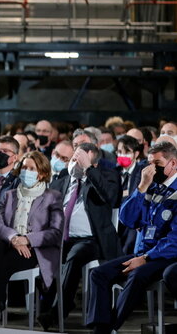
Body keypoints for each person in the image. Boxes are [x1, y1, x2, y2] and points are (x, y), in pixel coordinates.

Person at [87, 142, 177, 334]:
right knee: (98, 274)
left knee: (137, 274)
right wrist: (142, 187)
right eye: (149, 163)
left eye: (157, 164)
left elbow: (175, 241)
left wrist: (145, 258)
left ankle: (111, 327)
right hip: (144, 252)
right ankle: (100, 329)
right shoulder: (152, 186)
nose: (152, 169)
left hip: (167, 256)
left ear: (173, 163)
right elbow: (127, 219)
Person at [0, 151, 63, 327]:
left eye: (31, 168)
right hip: (10, 243)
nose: (26, 171)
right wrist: (14, 237)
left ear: (42, 173)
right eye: (24, 167)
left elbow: (55, 232)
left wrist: (27, 240)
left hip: (35, 249)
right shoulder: (10, 195)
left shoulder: (53, 197)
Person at [40, 142, 121, 328]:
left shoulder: (105, 178)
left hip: (91, 240)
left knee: (74, 256)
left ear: (93, 162)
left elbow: (109, 197)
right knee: (42, 252)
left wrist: (88, 170)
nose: (75, 163)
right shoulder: (60, 181)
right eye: (74, 159)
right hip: (60, 238)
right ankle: (45, 306)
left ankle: (58, 311)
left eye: (80, 159)